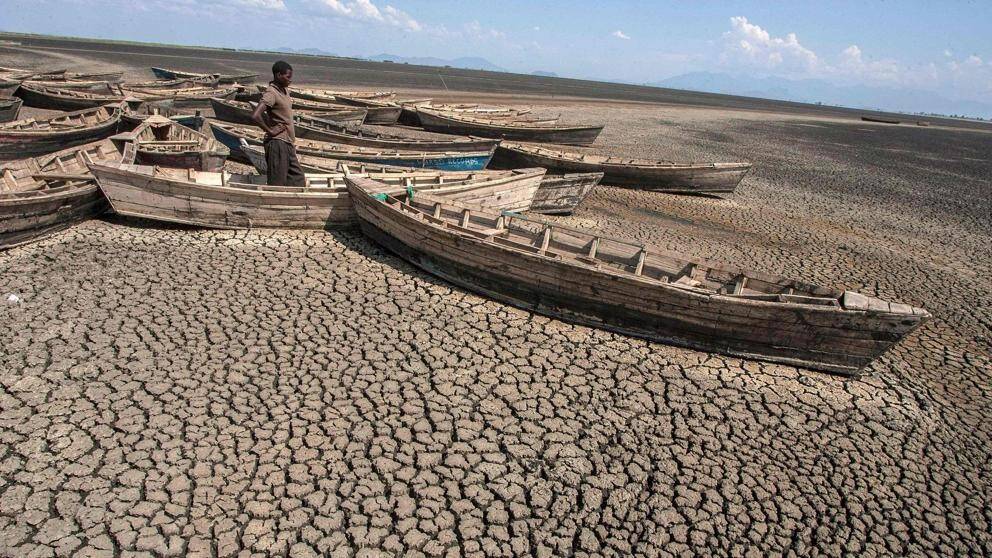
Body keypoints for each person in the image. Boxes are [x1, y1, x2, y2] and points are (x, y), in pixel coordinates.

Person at [252, 61, 305, 186]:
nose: (290, 80)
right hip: (277, 143)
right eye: (288, 77)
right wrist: (270, 131)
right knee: (277, 182)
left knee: (298, 179)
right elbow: (255, 116)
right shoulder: (271, 93)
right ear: (278, 75)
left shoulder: (285, 91)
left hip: (288, 143)